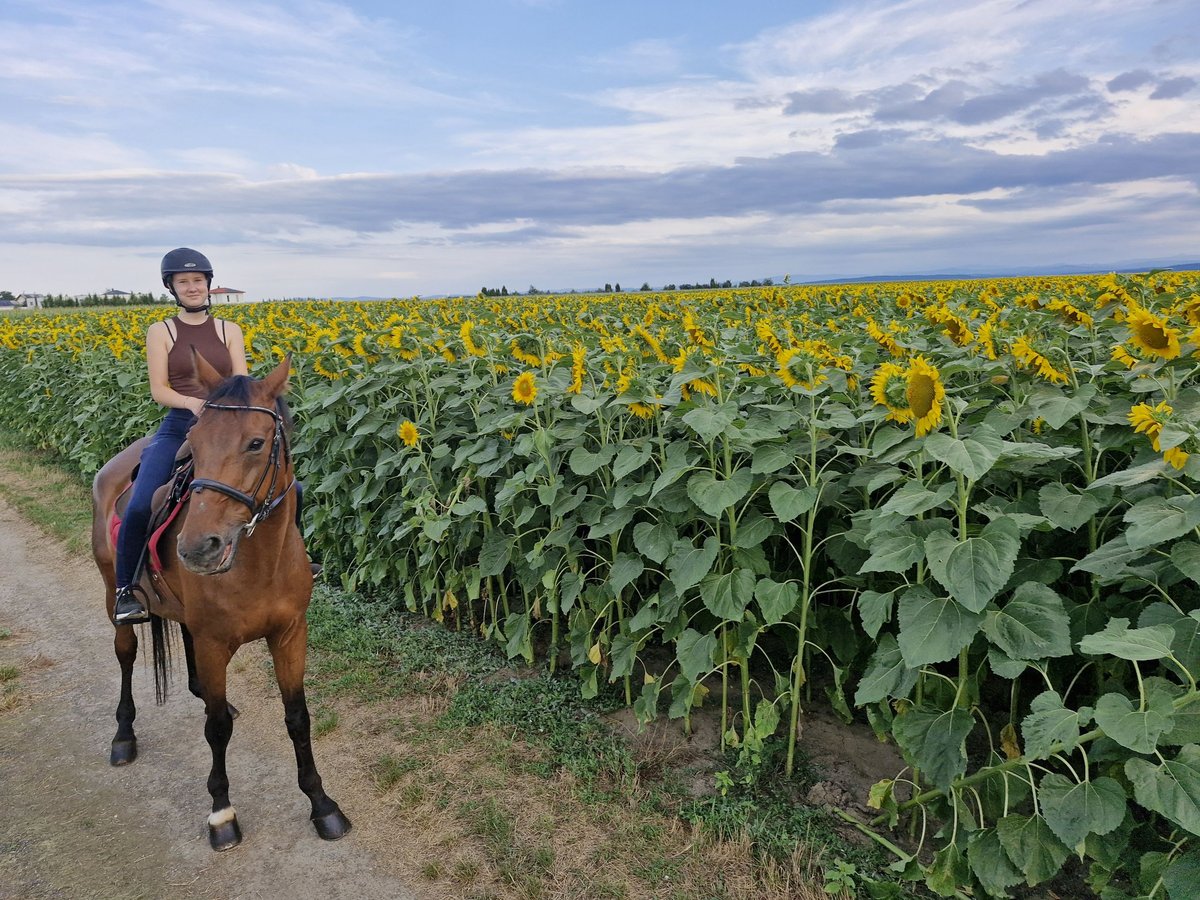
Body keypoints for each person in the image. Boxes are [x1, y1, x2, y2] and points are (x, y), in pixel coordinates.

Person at [111, 248, 249, 625]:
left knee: (289, 487)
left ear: (208, 284)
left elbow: (241, 383)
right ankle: (127, 590)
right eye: (183, 281)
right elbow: (159, 389)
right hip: (179, 424)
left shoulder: (229, 330)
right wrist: (193, 403)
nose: (192, 287)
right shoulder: (162, 331)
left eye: (198, 281)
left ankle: (296, 564)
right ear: (171, 287)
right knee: (141, 503)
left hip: (225, 426)